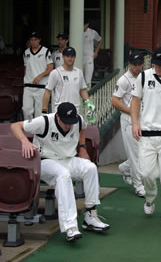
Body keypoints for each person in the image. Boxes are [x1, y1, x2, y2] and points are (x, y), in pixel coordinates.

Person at [11, 102, 110, 242]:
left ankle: (91, 215)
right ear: (57, 117)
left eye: (71, 122)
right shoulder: (45, 121)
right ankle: (70, 226)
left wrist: (82, 147)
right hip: (45, 161)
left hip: (67, 159)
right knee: (63, 174)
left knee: (90, 168)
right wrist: (24, 141)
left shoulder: (78, 120)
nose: (69, 125)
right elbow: (15, 126)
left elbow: (82, 127)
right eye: (65, 122)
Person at [131, 47, 161, 230]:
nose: (157, 68)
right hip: (147, 134)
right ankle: (150, 197)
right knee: (147, 174)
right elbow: (135, 100)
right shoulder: (144, 77)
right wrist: (135, 123)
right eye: (155, 65)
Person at [112, 52, 146, 198]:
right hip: (128, 120)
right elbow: (115, 101)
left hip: (143, 119)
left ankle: (125, 167)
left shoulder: (145, 77)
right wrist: (132, 112)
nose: (138, 67)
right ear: (130, 64)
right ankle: (139, 185)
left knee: (145, 152)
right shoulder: (124, 80)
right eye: (135, 64)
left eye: (140, 64)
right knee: (136, 153)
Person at [42, 47, 89, 114]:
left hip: (76, 108)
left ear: (75, 57)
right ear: (63, 57)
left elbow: (82, 90)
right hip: (60, 108)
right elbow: (47, 91)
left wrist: (88, 102)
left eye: (72, 56)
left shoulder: (79, 72)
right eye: (67, 56)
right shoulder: (55, 73)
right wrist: (44, 110)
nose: (70, 58)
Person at [23, 32, 53, 120]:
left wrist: (40, 76)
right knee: (26, 110)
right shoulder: (26, 52)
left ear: (39, 40)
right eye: (31, 40)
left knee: (39, 112)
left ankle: (38, 132)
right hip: (28, 85)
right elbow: (26, 68)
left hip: (41, 86)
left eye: (35, 40)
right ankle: (29, 129)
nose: (33, 42)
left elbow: (50, 68)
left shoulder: (46, 51)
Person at [83, 21, 102, 88]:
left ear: (87, 24)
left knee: (88, 80)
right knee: (80, 79)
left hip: (89, 58)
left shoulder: (92, 32)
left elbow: (100, 40)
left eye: (83, 25)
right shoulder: (76, 31)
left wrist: (96, 52)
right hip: (78, 58)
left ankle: (87, 97)